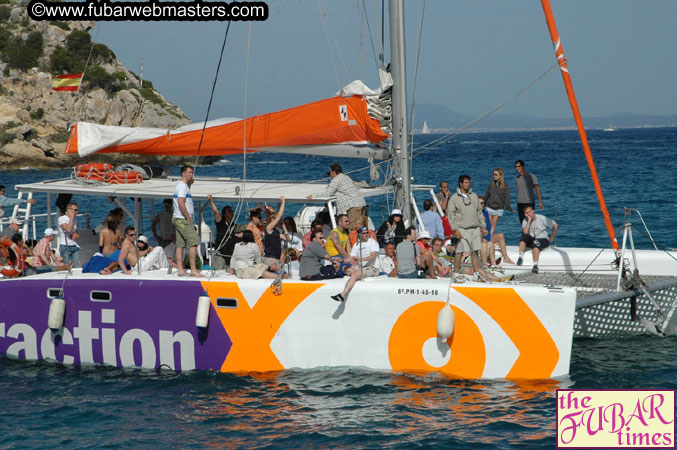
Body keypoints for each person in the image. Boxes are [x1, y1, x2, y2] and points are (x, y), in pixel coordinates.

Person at [447, 175, 486, 280]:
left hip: (475, 228)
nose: (468, 184)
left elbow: (479, 212)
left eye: (469, 182)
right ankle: (455, 273)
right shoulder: (454, 198)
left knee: (475, 251)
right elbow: (450, 215)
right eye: (466, 182)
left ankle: (476, 274)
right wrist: (455, 229)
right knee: (459, 251)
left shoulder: (474, 196)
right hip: (462, 228)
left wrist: (483, 226)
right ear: (461, 183)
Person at [307, 162, 367, 231]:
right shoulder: (346, 177)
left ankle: (354, 241)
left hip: (354, 207)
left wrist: (314, 195)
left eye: (331, 172)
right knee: (362, 226)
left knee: (353, 228)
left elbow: (328, 193)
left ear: (334, 172)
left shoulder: (336, 180)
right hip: (362, 203)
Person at [331, 226, 381, 302]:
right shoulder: (356, 245)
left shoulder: (372, 242)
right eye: (364, 233)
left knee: (354, 274)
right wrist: (341, 260)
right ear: (359, 235)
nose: (366, 234)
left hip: (373, 267)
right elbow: (351, 258)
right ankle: (357, 275)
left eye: (367, 232)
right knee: (344, 268)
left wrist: (360, 259)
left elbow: (372, 257)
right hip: (361, 267)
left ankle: (342, 295)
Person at [173, 165, 203, 277]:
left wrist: (191, 182)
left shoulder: (182, 185)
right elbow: (181, 202)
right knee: (194, 242)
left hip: (178, 218)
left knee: (180, 244)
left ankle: (181, 269)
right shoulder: (183, 187)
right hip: (183, 219)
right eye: (190, 172)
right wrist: (188, 217)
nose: (192, 174)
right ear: (183, 174)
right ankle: (194, 270)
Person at [517, 205, 558, 274]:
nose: (528, 214)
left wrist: (551, 238)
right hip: (533, 239)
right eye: (526, 213)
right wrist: (529, 221)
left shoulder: (541, 218)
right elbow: (525, 232)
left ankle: (535, 265)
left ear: (533, 211)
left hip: (543, 239)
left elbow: (555, 225)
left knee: (535, 243)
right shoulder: (525, 221)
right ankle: (520, 257)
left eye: (529, 212)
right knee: (523, 236)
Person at [209, 199, 237, 270]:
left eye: (232, 211)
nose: (232, 213)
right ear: (225, 214)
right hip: (220, 255)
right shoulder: (221, 223)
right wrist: (211, 201)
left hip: (230, 256)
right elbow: (217, 213)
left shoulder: (234, 226)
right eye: (229, 211)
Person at [484, 167, 513, 233]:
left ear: (500, 175)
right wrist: (482, 204)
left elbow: (507, 197)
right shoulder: (491, 184)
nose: (494, 176)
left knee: (493, 225)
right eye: (493, 174)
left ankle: (489, 239)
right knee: (488, 225)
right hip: (490, 207)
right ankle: (488, 239)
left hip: (499, 209)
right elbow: (487, 195)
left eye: (496, 174)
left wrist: (508, 207)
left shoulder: (505, 185)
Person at [514, 159, 543, 224]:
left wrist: (540, 202)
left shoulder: (531, 176)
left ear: (523, 166)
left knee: (530, 222)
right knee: (522, 223)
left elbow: (537, 189)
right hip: (520, 203)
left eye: (518, 166)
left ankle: (531, 234)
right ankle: (525, 234)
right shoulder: (516, 178)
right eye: (516, 167)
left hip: (529, 202)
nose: (517, 168)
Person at [262, 196, 286, 268]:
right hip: (270, 259)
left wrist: (284, 227)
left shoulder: (276, 231)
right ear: (273, 220)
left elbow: (287, 238)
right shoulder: (268, 228)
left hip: (276, 258)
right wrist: (283, 202)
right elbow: (279, 216)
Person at [58, 202, 81, 268]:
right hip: (65, 245)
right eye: (75, 210)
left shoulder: (74, 220)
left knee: (76, 265)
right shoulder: (62, 219)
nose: (76, 212)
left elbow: (75, 232)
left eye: (77, 210)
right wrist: (71, 218)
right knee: (67, 266)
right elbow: (68, 229)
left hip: (73, 245)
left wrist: (76, 235)